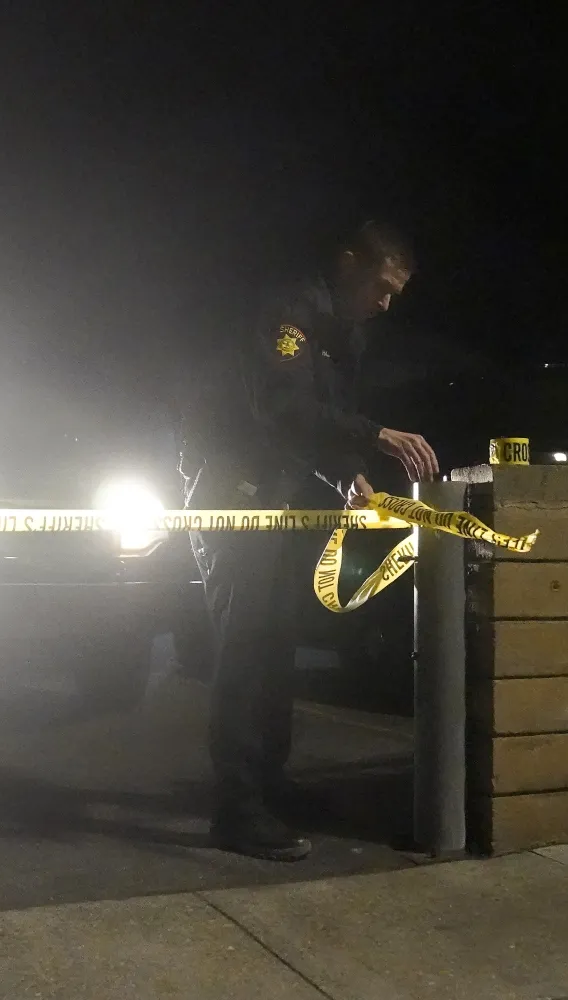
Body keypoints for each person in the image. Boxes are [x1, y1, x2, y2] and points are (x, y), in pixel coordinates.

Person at [176, 220, 440, 861]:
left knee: (275, 646)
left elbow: (312, 431)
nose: (386, 303)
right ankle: (238, 811)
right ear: (349, 264)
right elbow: (280, 410)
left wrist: (347, 476)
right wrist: (376, 437)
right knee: (247, 650)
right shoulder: (289, 311)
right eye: (381, 287)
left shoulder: (344, 331)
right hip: (233, 492)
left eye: (394, 295)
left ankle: (271, 786)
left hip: (282, 494)